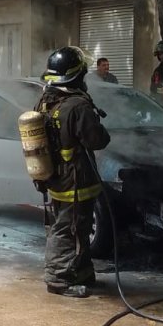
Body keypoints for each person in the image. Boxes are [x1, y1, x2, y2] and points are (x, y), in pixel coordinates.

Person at [36, 46, 111, 298]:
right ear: (77, 76)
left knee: (76, 226)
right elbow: (96, 140)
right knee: (68, 228)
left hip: (55, 178)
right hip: (75, 180)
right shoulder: (78, 105)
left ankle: (80, 271)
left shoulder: (46, 101)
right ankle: (58, 279)